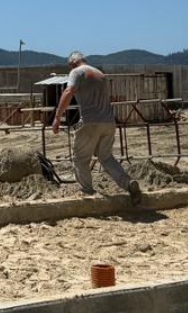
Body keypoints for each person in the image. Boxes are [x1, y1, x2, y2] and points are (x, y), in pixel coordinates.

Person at [52, 52, 142, 204]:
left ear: (72, 63)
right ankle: (128, 183)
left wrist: (57, 117)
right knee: (106, 157)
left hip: (90, 122)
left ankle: (87, 192)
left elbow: (68, 92)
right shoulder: (100, 74)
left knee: (81, 159)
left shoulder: (76, 72)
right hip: (108, 122)